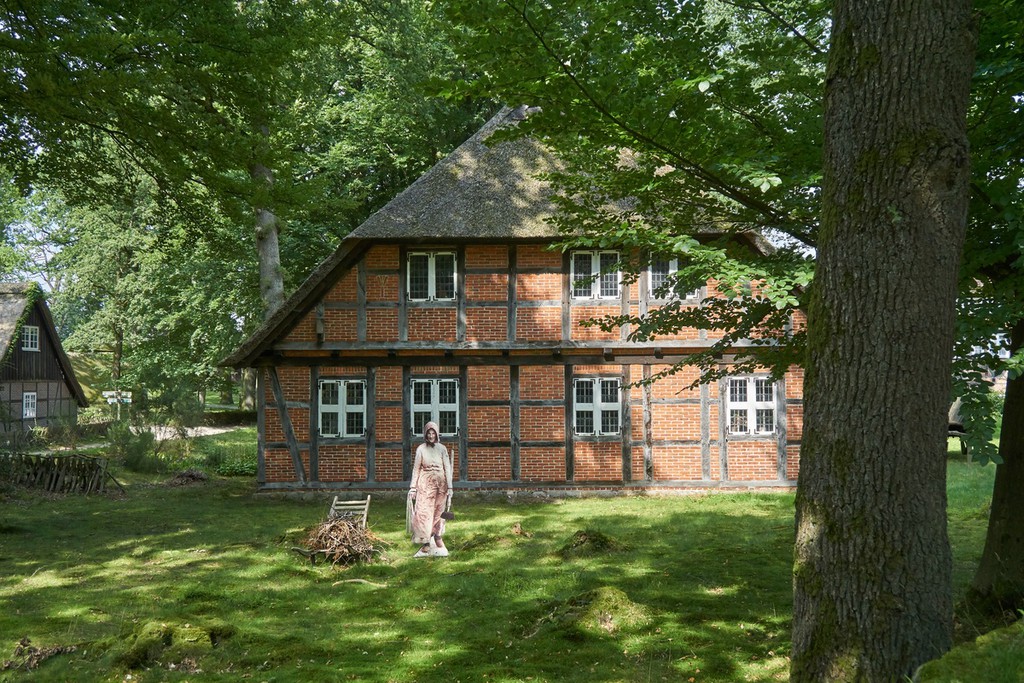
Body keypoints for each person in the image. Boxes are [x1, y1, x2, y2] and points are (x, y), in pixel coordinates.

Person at [407, 421, 453, 558]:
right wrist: (413, 488)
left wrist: (450, 487)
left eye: (433, 433)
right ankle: (425, 541)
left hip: (441, 485)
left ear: (437, 434)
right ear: (426, 434)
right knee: (424, 513)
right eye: (429, 433)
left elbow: (447, 468)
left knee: (439, 512)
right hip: (425, 485)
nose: (431, 436)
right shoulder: (421, 449)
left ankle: (437, 536)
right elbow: (416, 468)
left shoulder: (442, 449)